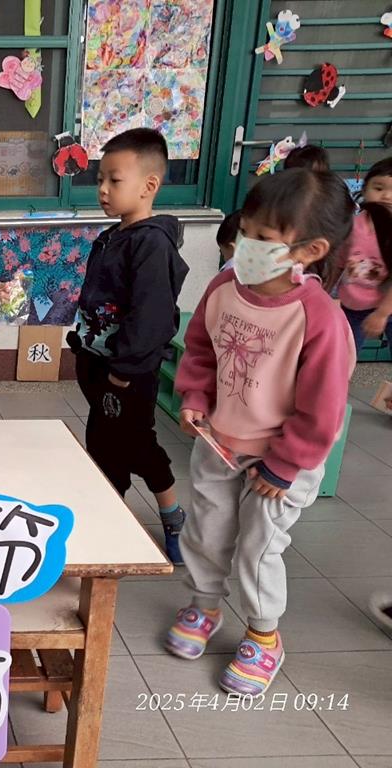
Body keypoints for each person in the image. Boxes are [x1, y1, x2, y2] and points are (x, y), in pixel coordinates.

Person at [168, 169, 355, 696]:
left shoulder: (319, 318)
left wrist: (286, 464)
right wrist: (195, 397)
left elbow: (324, 407)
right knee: (206, 531)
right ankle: (205, 606)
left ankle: (263, 635)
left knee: (259, 547)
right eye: (245, 231)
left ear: (310, 250)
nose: (246, 245)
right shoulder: (224, 287)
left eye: (264, 237)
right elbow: (201, 349)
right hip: (221, 441)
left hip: (282, 459)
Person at [66, 127, 190, 565]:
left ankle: (172, 517)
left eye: (114, 180)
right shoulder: (113, 236)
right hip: (99, 364)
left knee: (137, 443)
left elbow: (151, 317)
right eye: (100, 179)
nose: (102, 189)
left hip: (127, 373)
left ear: (149, 185)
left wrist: (124, 370)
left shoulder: (151, 243)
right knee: (103, 441)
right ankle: (109, 515)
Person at [328, 158, 392, 352]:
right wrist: (324, 293)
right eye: (378, 188)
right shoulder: (352, 226)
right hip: (353, 305)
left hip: (388, 305)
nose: (386, 196)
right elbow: (338, 263)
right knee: (345, 352)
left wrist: (382, 314)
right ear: (364, 190)